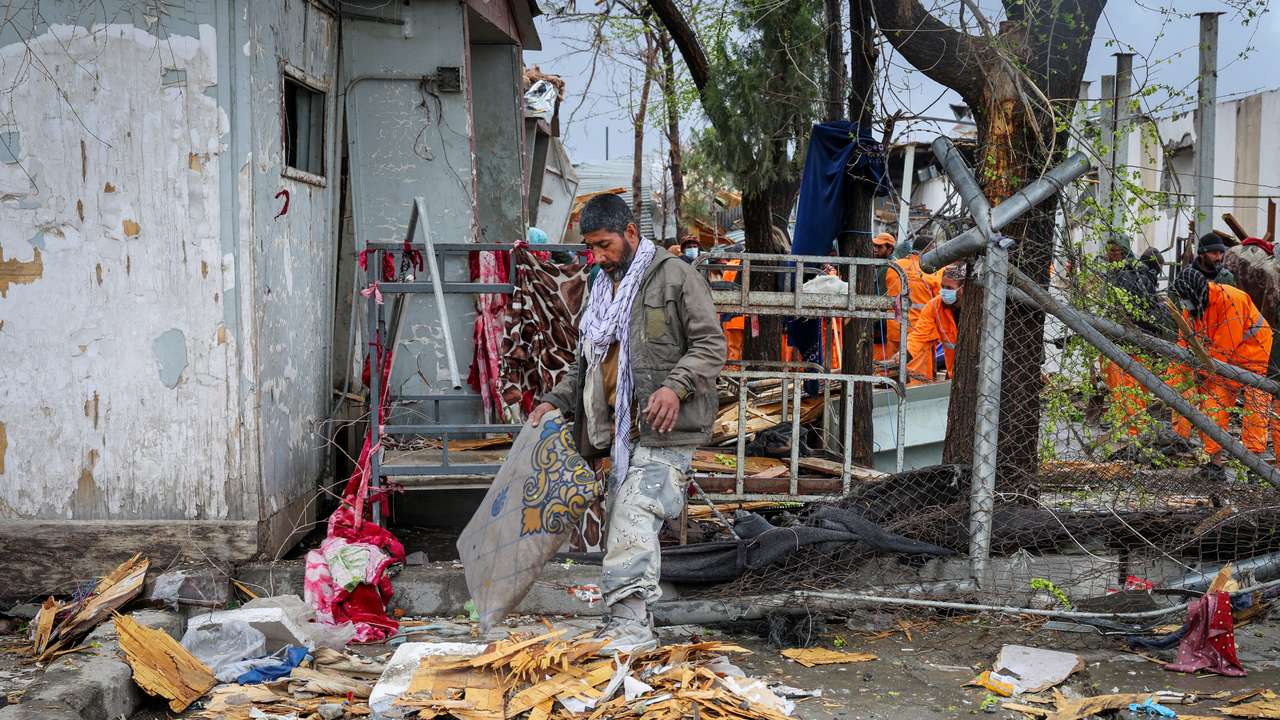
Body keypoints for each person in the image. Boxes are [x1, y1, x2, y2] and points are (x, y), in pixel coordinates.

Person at [529, 194, 726, 654]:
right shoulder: (603, 287)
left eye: (603, 245)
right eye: (590, 247)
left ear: (631, 234)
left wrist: (673, 388)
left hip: (665, 429)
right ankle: (627, 618)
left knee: (634, 515)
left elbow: (712, 345)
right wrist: (555, 401)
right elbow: (589, 363)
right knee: (622, 518)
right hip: (618, 436)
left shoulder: (677, 276)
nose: (596, 257)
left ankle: (631, 627)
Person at [1169, 267, 1271, 470]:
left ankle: (1255, 465)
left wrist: (1202, 373)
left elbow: (1225, 346)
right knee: (1212, 404)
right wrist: (1180, 373)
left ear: (1200, 292)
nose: (1186, 304)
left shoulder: (1230, 299)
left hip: (1253, 353)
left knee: (1255, 408)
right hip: (1216, 360)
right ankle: (1215, 463)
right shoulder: (1191, 306)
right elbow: (1185, 341)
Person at [1099, 236, 1162, 437]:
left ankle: (1132, 433)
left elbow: (1128, 311)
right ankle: (1126, 427)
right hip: (1125, 342)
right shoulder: (1119, 273)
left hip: (1129, 342)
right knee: (1124, 389)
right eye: (1109, 250)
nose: (1110, 255)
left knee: (1128, 388)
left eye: (1115, 251)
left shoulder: (1129, 275)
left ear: (1124, 252)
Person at [884, 233, 942, 359]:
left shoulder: (894, 266)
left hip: (894, 329)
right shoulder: (931, 270)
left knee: (893, 370)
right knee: (917, 375)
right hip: (919, 333)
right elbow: (940, 303)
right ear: (929, 250)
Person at [906, 262, 965, 383]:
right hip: (954, 371)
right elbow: (919, 336)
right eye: (943, 286)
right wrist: (904, 354)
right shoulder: (935, 306)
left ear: (962, 289)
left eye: (949, 288)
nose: (944, 292)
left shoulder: (976, 309)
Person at [870, 232, 899, 372]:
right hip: (881, 321)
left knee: (883, 363)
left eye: (879, 247)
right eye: (874, 245)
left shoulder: (890, 267)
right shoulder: (880, 265)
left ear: (890, 249)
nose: (875, 249)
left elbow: (883, 296)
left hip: (885, 322)